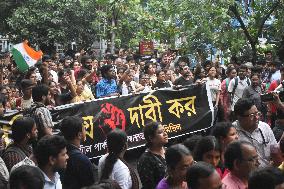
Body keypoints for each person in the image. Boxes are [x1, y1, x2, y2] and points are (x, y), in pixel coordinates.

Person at [233, 98, 277, 167]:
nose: (257, 118)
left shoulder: (265, 127)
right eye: (252, 116)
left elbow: (275, 152)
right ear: (239, 118)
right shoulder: (232, 133)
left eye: (257, 113)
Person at [60, 116, 95, 189]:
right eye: (84, 129)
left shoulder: (59, 154)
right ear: (79, 135)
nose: (85, 131)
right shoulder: (82, 160)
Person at [137, 122, 168, 189]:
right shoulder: (145, 160)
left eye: (164, 131)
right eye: (160, 132)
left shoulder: (169, 151)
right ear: (151, 138)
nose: (165, 134)